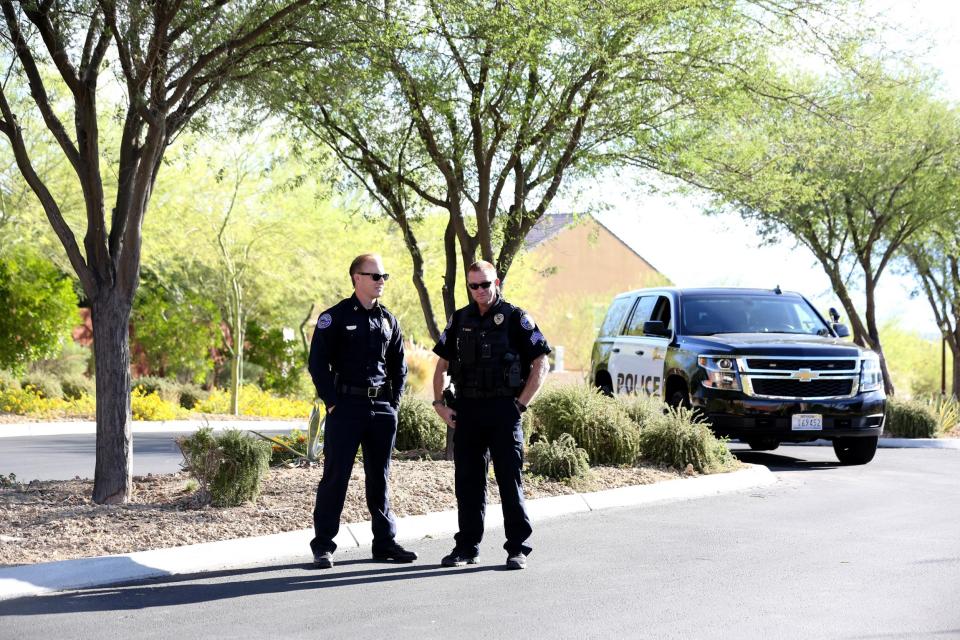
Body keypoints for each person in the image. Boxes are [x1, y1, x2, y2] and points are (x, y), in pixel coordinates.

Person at [431, 260, 551, 570]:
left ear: (496, 282)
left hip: (503, 410)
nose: (481, 290)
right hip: (468, 411)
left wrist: (520, 405)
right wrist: (439, 404)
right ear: (468, 287)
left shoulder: (516, 318)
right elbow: (442, 366)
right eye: (474, 286)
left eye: (486, 284)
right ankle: (467, 547)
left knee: (510, 482)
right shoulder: (460, 319)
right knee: (468, 482)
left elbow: (541, 363)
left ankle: (517, 548)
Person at [308, 253, 417, 569]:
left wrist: (393, 404)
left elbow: (399, 367)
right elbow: (318, 364)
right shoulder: (335, 318)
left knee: (380, 478)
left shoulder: (388, 320)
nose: (381, 281)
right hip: (346, 407)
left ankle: (384, 543)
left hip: (381, 409)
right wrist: (332, 402)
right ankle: (324, 545)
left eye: (384, 276)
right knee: (336, 477)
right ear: (357, 277)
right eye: (375, 276)